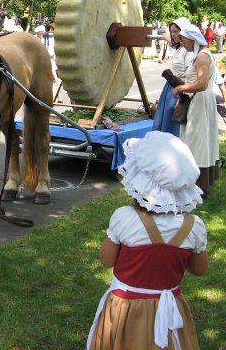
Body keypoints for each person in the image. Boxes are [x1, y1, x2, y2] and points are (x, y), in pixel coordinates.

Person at [87, 131, 207, 350]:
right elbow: (199, 269)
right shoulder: (194, 226)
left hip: (126, 309)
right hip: (170, 311)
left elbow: (106, 260)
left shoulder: (125, 218)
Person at [172, 24, 220, 197]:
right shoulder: (198, 55)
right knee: (194, 140)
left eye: (184, 40)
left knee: (196, 141)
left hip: (200, 102)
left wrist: (181, 88)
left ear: (193, 40)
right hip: (198, 101)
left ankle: (199, 187)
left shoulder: (202, 56)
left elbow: (202, 84)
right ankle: (194, 184)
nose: (183, 43)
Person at [152, 17, 194, 137]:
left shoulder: (188, 51)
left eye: (176, 31)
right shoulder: (180, 47)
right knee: (162, 120)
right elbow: (175, 44)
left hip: (179, 88)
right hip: (170, 88)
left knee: (172, 123)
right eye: (172, 31)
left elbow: (190, 76)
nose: (173, 34)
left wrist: (182, 93)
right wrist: (167, 37)